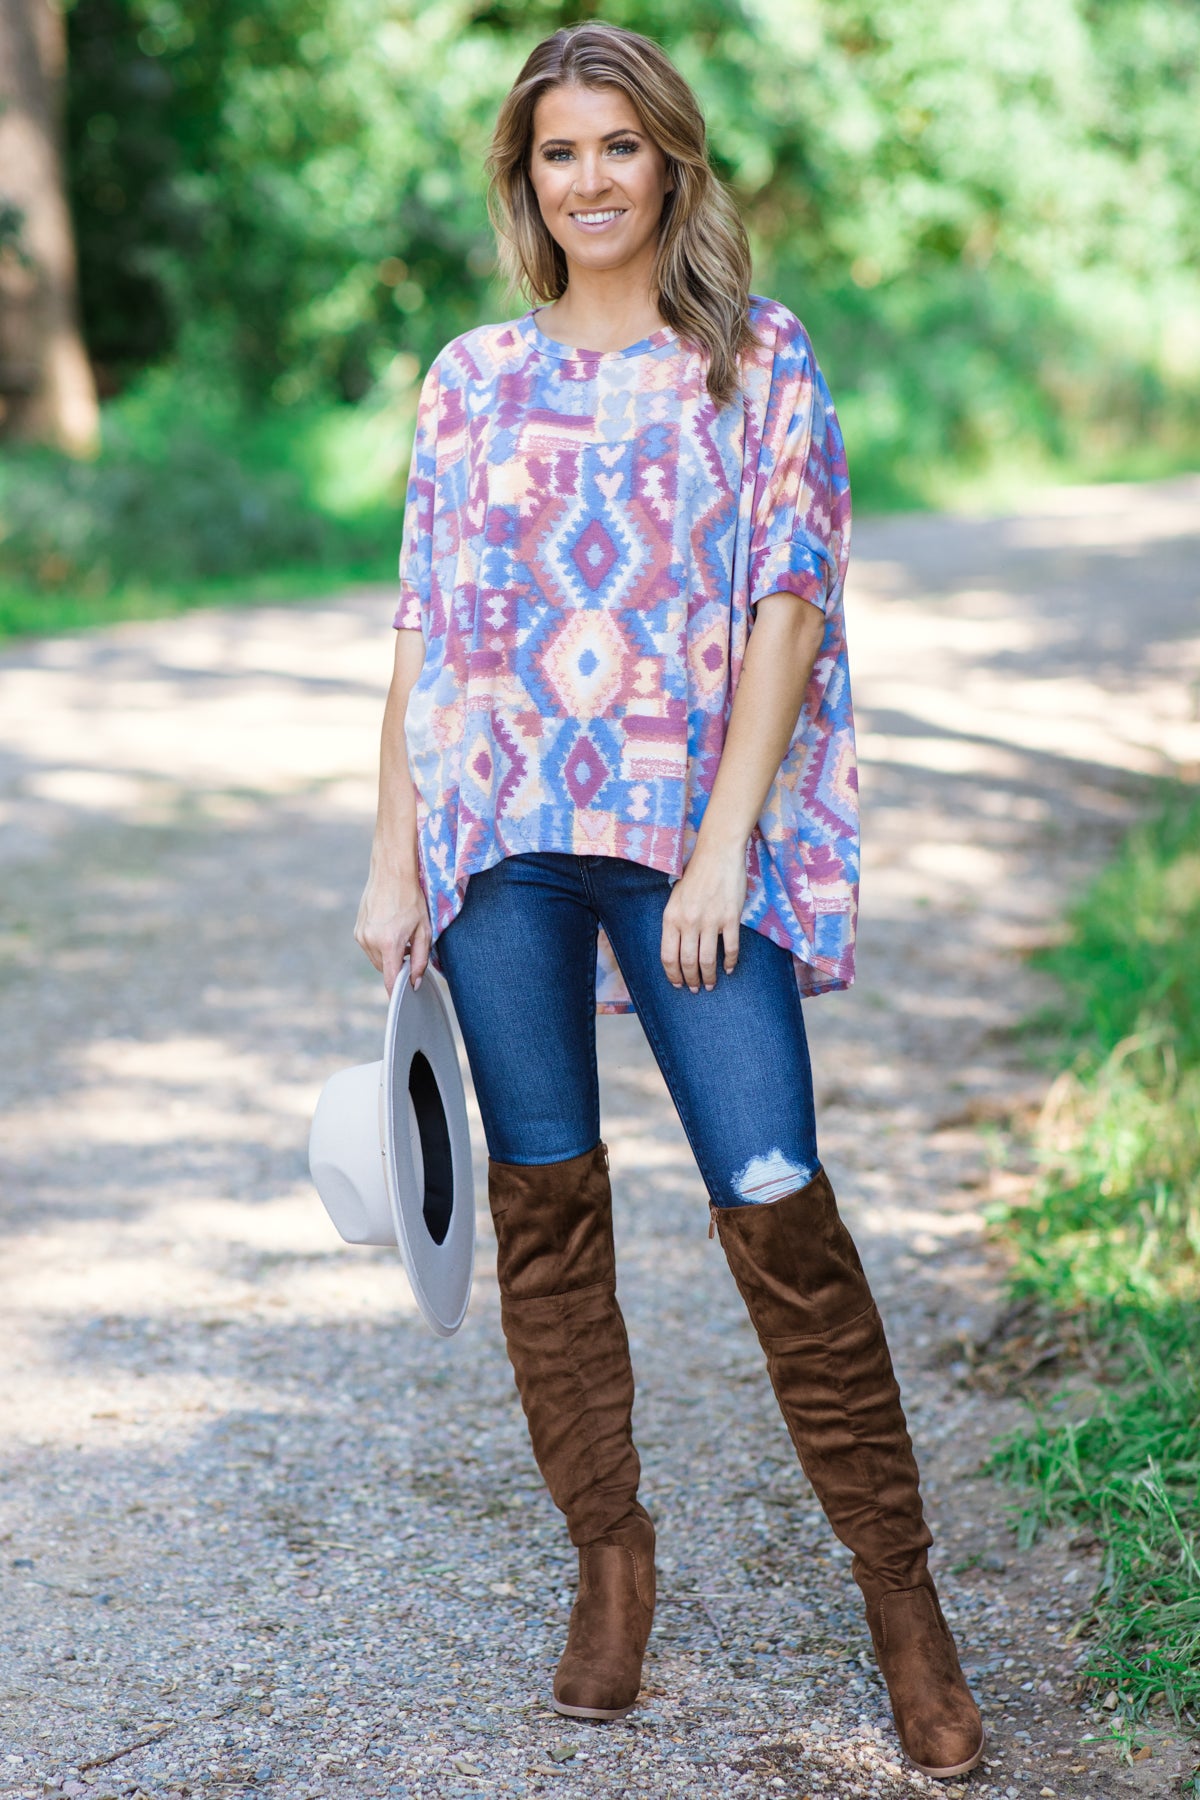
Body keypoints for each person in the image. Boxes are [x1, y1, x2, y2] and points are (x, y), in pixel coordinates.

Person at [355, 20, 984, 1783]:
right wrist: (394, 849)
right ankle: (610, 1562)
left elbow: (789, 598)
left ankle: (901, 1599)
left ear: (671, 165)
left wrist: (723, 848)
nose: (592, 179)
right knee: (543, 1206)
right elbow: (428, 627)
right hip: (501, 848)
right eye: (560, 152)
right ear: (526, 179)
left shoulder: (755, 360)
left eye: (620, 146)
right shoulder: (469, 378)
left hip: (685, 845)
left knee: (776, 1198)